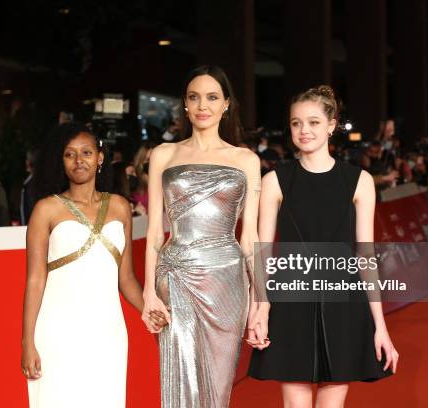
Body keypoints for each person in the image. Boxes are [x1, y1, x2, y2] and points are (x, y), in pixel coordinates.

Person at [248, 86, 399, 407]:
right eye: (296, 123)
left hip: (344, 302)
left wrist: (380, 327)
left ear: (332, 125)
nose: (304, 131)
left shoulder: (359, 181)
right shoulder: (276, 180)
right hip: (291, 301)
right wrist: (259, 307)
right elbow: (262, 252)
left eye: (314, 122)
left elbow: (365, 257)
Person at [141, 65, 265, 408]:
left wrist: (262, 301)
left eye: (212, 97)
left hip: (227, 280)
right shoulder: (164, 155)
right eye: (194, 97)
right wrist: (149, 292)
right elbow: (154, 231)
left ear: (226, 104)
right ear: (185, 104)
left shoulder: (246, 160)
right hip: (176, 278)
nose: (202, 105)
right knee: (181, 382)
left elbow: (251, 236)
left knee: (218, 387)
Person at [21, 122, 164, 407]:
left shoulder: (120, 207)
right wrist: (27, 341)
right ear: (61, 161)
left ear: (100, 158)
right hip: (58, 330)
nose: (78, 161)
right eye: (69, 154)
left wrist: (149, 309)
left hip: (107, 330)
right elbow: (35, 280)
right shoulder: (46, 209)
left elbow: (125, 279)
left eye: (86, 152)